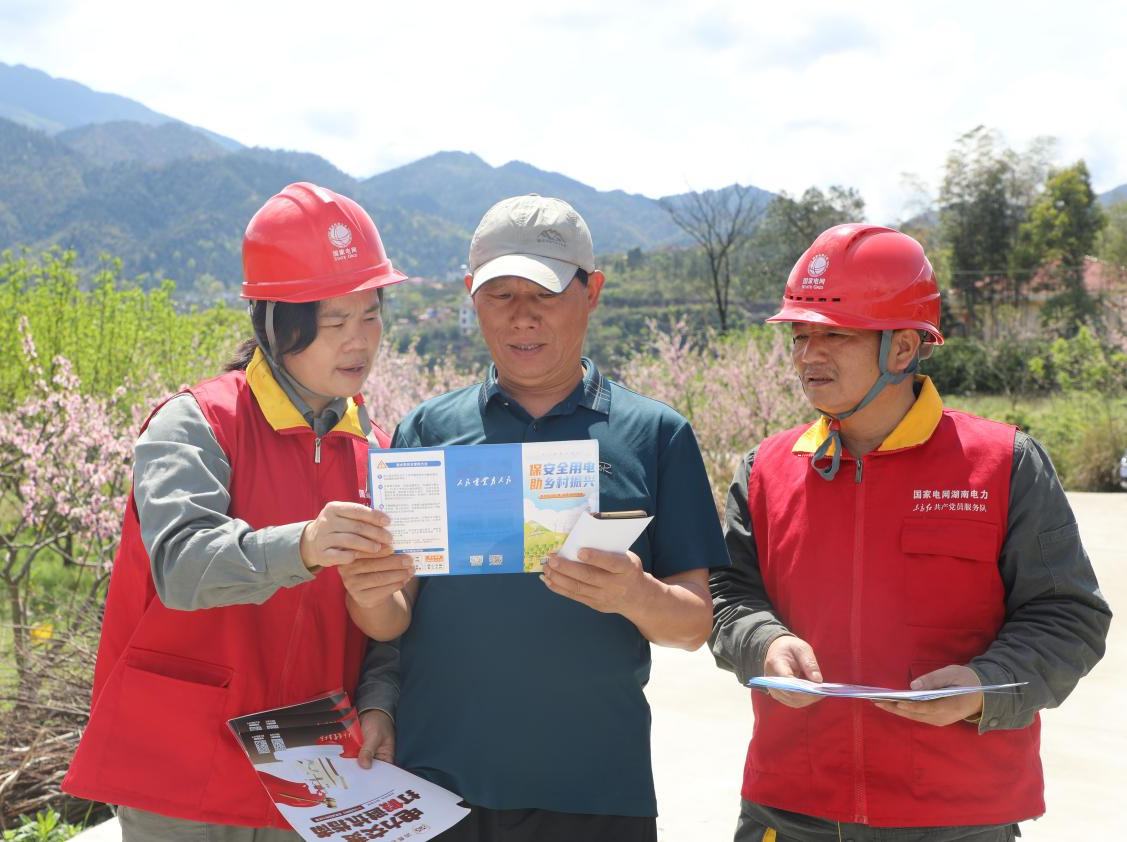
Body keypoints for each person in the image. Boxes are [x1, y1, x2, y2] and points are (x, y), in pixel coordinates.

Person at [345, 194, 732, 842]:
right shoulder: (427, 430)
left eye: (544, 293)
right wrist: (363, 591)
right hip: (438, 781)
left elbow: (693, 625)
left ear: (593, 292)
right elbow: (393, 614)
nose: (522, 317)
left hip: (595, 787)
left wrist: (635, 595)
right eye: (500, 295)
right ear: (470, 296)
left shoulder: (654, 434)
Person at [709, 223, 1112, 841]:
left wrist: (984, 685)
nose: (808, 355)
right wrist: (761, 641)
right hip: (792, 810)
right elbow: (728, 595)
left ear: (902, 348)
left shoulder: (1004, 464)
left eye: (835, 335)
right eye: (800, 334)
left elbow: (1068, 618)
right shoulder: (766, 470)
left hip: (959, 815)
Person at [62, 182, 407, 841]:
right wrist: (305, 544)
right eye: (334, 322)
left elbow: (391, 618)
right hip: (182, 764)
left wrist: (379, 704)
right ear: (276, 323)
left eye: (369, 315)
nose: (358, 341)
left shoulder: (379, 452)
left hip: (311, 772)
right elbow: (182, 565)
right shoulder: (196, 424)